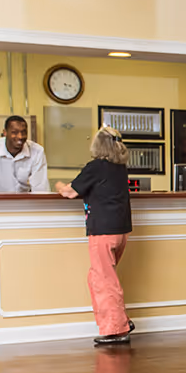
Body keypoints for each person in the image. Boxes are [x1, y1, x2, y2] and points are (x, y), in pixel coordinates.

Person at [56, 127, 135, 346]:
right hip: (121, 230)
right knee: (98, 278)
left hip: (103, 231)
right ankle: (118, 322)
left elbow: (70, 191)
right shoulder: (120, 168)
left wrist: (59, 185)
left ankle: (117, 329)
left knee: (104, 280)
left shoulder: (96, 167)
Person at [0, 116, 49, 193]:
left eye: (23, 132)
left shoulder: (37, 151)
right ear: (5, 133)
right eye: (14, 132)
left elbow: (40, 190)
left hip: (25, 202)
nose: (20, 137)